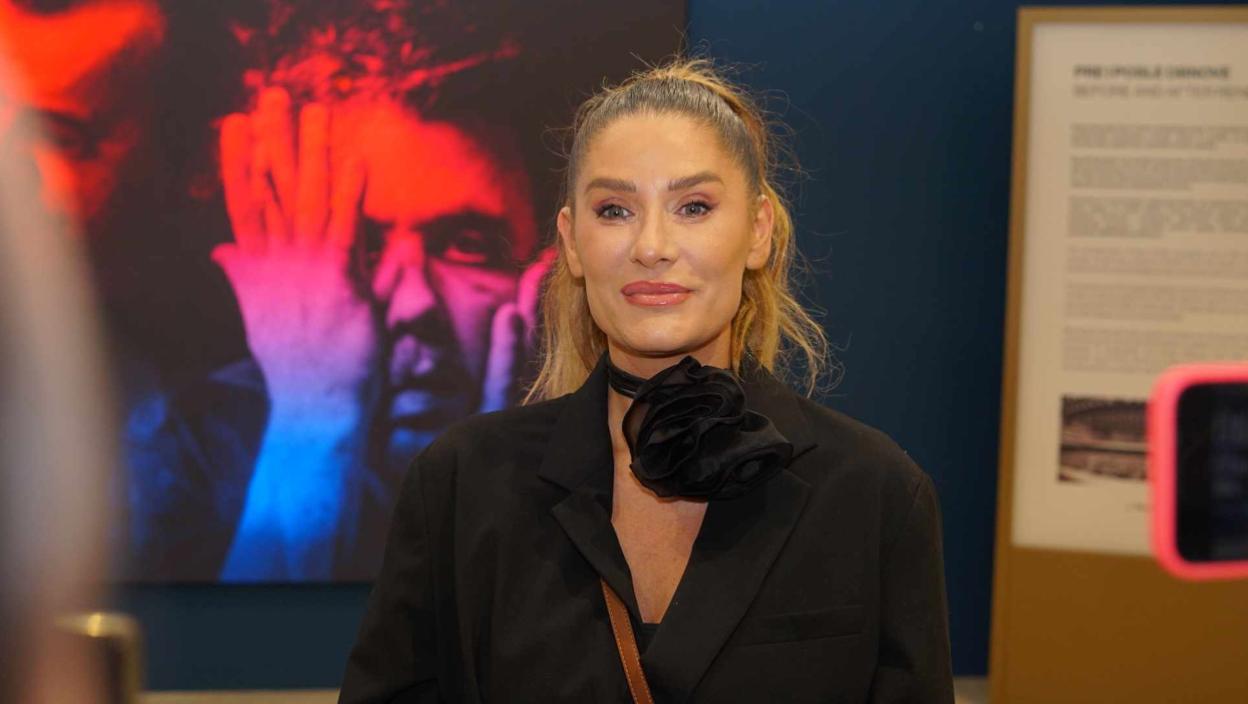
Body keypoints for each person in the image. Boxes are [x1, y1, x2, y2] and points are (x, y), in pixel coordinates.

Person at [340, 58, 954, 702]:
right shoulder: (463, 483)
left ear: (758, 231)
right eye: (614, 210)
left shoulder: (874, 491)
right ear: (571, 242)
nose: (652, 245)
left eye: (694, 206)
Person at [126, 0, 552, 581]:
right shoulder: (172, 460)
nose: (415, 304)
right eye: (357, 245)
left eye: (467, 245)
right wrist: (315, 418)